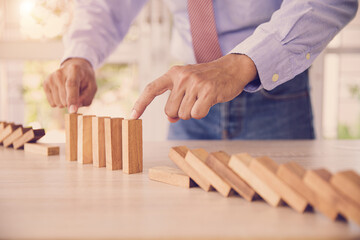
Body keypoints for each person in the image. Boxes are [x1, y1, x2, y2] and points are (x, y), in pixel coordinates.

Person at [43, 0, 358, 140]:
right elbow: (105, 6)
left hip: (275, 100)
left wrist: (240, 64)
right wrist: (80, 56)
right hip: (186, 110)